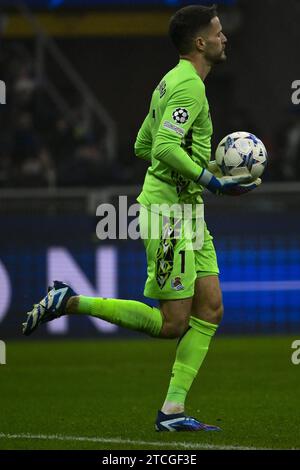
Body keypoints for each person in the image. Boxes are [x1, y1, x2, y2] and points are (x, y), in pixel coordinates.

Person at [22, 5, 260, 432]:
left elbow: (141, 145)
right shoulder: (189, 86)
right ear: (200, 42)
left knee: (211, 308)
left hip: (187, 211)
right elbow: (164, 147)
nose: (226, 39)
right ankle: (71, 301)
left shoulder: (169, 81)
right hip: (168, 212)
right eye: (219, 33)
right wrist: (213, 180)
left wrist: (200, 169)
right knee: (173, 324)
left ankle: (172, 410)